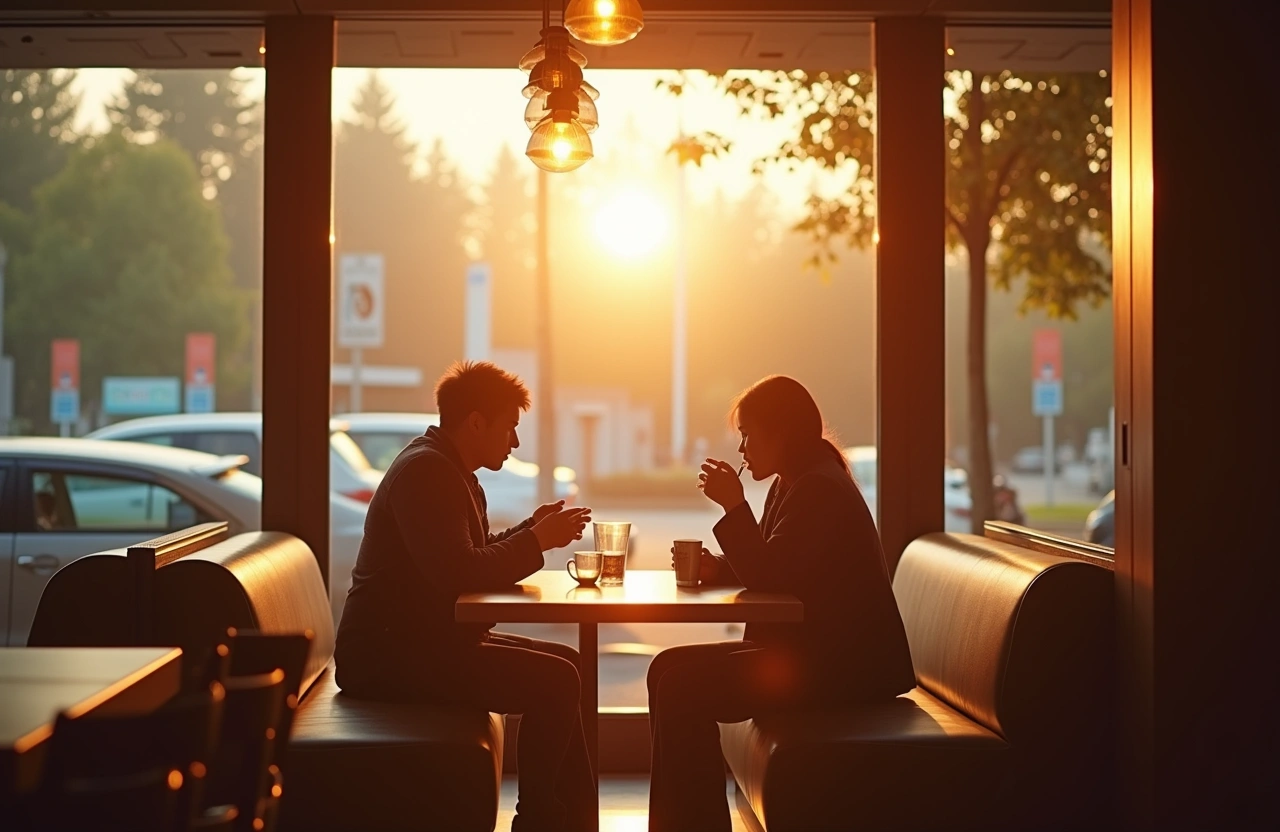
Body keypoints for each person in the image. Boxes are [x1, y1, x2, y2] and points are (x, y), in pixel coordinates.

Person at [335, 360, 595, 832]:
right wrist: (537, 541)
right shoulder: (427, 473)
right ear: (476, 421)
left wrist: (532, 529)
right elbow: (461, 573)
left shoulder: (447, 469)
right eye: (510, 428)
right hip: (387, 658)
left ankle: (572, 821)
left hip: (423, 643)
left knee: (567, 665)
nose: (515, 442)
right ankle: (542, 822)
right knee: (557, 680)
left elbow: (470, 555)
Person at [647, 375, 916, 832]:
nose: (743, 449)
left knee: (680, 686)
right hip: (809, 655)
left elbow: (772, 576)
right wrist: (722, 567)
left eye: (748, 435)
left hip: (840, 671)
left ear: (782, 433)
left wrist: (734, 508)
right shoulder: (794, 483)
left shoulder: (818, 488)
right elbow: (783, 566)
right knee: (665, 669)